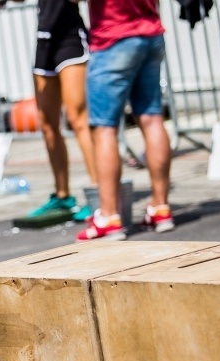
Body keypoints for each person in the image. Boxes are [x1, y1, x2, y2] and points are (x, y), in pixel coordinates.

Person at [76, 0, 174, 241]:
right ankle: (161, 208)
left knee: (104, 129)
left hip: (113, 39)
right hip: (150, 33)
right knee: (152, 118)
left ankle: (109, 217)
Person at [16, 0, 96, 222]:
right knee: (48, 124)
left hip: (70, 40)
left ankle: (99, 193)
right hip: (45, 43)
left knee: (78, 119)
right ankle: (63, 196)